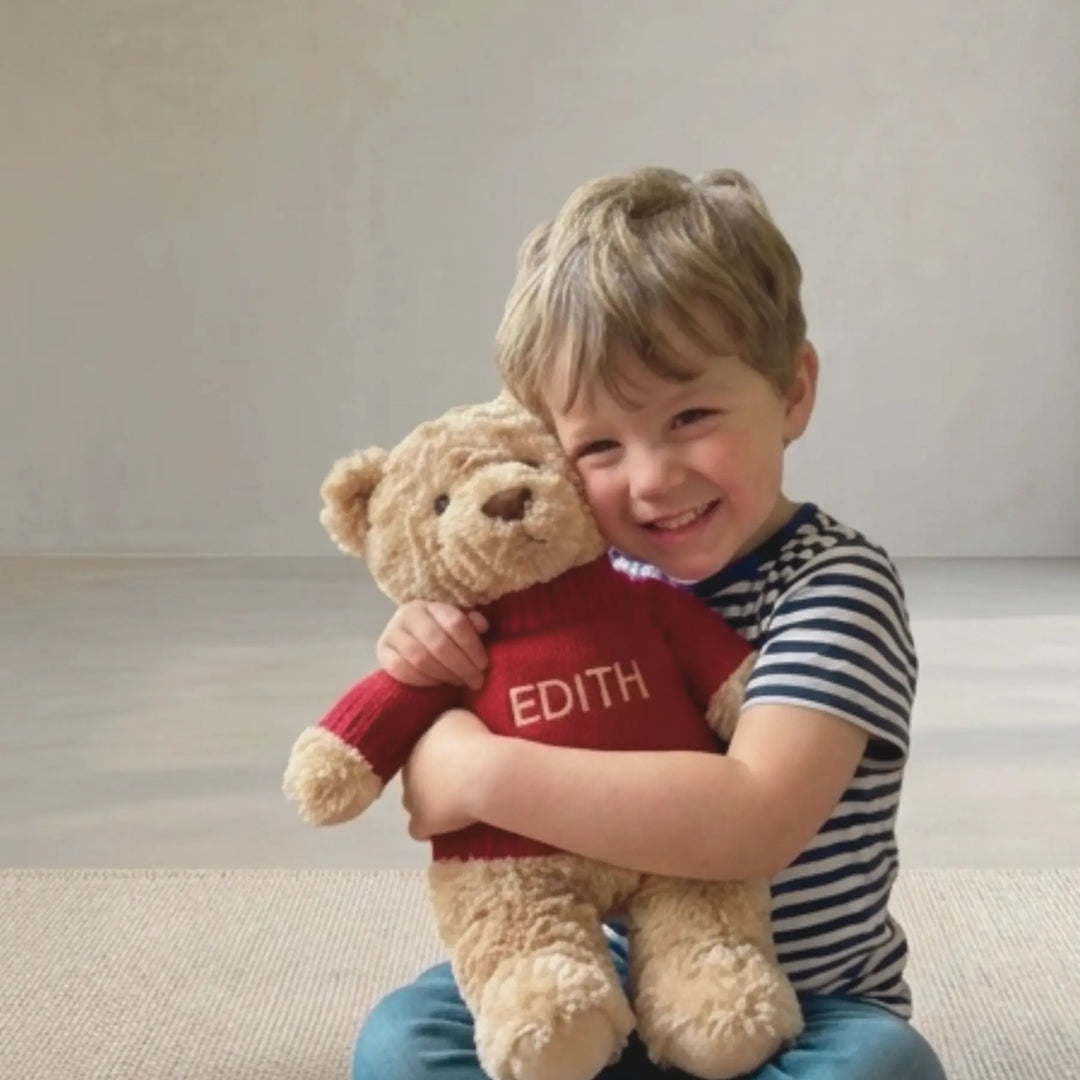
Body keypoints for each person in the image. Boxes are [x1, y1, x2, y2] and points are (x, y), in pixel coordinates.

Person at [351, 167, 947, 1080]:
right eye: (598, 446)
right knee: (403, 1041)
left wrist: (483, 766)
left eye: (692, 416)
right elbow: (430, 792)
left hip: (796, 1011)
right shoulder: (573, 579)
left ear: (792, 392)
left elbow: (754, 819)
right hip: (600, 983)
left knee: (882, 1068)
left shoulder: (835, 590)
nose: (653, 479)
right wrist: (419, 658)